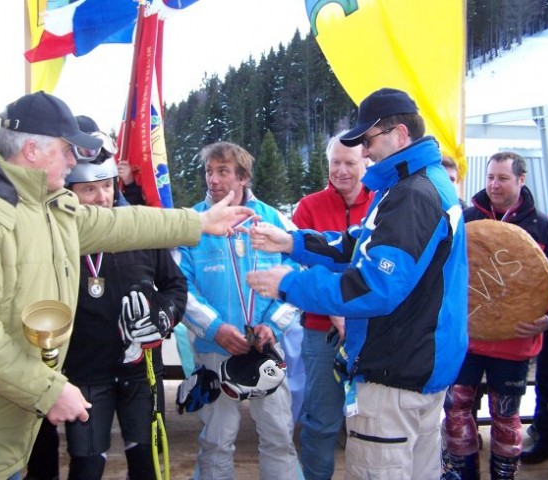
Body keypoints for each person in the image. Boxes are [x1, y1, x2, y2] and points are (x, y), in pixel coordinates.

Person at [0, 92, 252, 480]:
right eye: (67, 151)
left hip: (3, 426)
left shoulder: (42, 207)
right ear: (31, 151)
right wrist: (48, 390)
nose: (75, 162)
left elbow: (118, 224)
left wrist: (196, 223)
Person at [245, 87, 468, 480]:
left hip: (395, 371)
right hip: (419, 365)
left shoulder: (413, 194)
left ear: (399, 135)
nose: (364, 152)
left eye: (368, 141)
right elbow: (359, 242)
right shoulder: (415, 183)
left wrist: (289, 284)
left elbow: (375, 285)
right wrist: (294, 242)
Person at [25, 115, 188, 480]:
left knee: (146, 465)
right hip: (84, 374)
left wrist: (162, 317)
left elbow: (176, 287)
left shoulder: (140, 229)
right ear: (68, 192)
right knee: (86, 466)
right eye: (89, 190)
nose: (102, 198)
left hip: (141, 372)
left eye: (108, 186)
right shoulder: (51, 237)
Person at [175, 141, 303, 480]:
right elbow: (180, 287)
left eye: (223, 172)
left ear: (243, 177)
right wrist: (215, 328)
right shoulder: (193, 225)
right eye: (208, 171)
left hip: (266, 348)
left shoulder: (274, 220)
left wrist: (274, 325)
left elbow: (299, 277)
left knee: (278, 437)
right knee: (216, 442)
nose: (212, 180)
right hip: (216, 349)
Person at [442, 151, 548, 479]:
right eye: (490, 177)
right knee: (456, 410)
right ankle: (462, 473)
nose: (494, 184)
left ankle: (504, 475)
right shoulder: (464, 219)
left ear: (521, 180)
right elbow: (444, 275)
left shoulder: (544, 228)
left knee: (505, 417)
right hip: (466, 339)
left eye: (503, 178)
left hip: (515, 342)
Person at [291, 132, 373, 479]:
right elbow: (301, 268)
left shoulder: (382, 203)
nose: (341, 170)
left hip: (373, 332)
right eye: (334, 162)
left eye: (349, 163)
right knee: (322, 421)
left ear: (366, 163)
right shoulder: (308, 207)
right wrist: (334, 310)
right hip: (321, 331)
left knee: (371, 424)